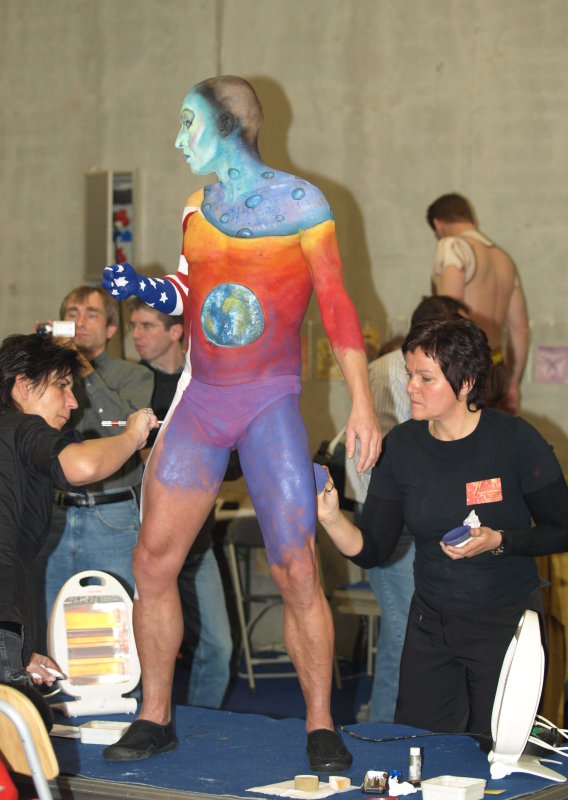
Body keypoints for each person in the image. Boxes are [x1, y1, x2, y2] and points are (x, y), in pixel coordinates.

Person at [101, 75, 381, 769]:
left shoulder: (302, 204)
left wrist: (362, 403)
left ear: (227, 125)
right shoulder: (196, 206)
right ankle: (154, 715)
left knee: (296, 568)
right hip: (202, 401)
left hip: (267, 403)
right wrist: (144, 287)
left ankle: (320, 725)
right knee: (152, 562)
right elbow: (189, 288)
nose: (178, 139)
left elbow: (336, 304)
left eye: (187, 123)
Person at [318, 317, 568, 737]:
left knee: (500, 752)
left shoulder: (515, 440)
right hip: (430, 627)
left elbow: (561, 529)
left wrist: (500, 541)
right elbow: (373, 548)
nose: (410, 387)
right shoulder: (401, 448)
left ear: (466, 382)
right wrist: (330, 517)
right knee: (424, 749)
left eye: (425, 378)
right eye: (409, 374)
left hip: (504, 624)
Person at [0, 333, 157, 730]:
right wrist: (132, 436)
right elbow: (82, 467)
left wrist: (20, 654)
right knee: (16, 739)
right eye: (62, 386)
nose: (73, 403)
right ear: (23, 385)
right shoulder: (21, 428)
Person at [345, 295, 469, 724]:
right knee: (402, 638)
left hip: (413, 518)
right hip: (389, 521)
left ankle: (396, 727)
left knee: (413, 637)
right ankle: (382, 734)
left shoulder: (410, 374)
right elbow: (384, 459)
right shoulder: (391, 376)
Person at [128, 297, 232, 708]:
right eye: (133, 325)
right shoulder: (128, 383)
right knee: (142, 650)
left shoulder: (205, 384)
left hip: (197, 543)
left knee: (219, 649)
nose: (136, 334)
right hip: (144, 540)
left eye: (147, 326)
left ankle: (203, 727)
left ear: (176, 332)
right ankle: (146, 720)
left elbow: (232, 462)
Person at [34, 286, 154, 638]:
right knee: (52, 627)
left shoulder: (135, 375)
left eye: (91, 314)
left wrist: (79, 366)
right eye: (72, 315)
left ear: (111, 328)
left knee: (114, 631)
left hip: (112, 516)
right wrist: (37, 359)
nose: (80, 322)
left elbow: (122, 428)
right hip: (55, 515)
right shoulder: (47, 377)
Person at [426, 193, 530, 415]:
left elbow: (448, 314)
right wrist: (512, 384)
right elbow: (520, 330)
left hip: (465, 372)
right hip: (497, 372)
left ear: (438, 224)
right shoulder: (504, 259)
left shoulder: (452, 246)